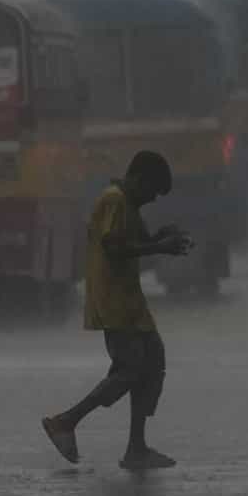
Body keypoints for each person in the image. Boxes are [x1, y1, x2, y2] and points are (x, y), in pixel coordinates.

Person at [42, 151, 191, 470]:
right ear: (138, 179)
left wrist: (162, 237)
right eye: (151, 192)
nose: (151, 200)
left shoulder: (130, 205)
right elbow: (114, 248)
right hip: (113, 300)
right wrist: (160, 246)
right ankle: (65, 422)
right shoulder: (114, 200)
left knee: (152, 362)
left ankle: (136, 447)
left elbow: (138, 242)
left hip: (130, 300)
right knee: (131, 369)